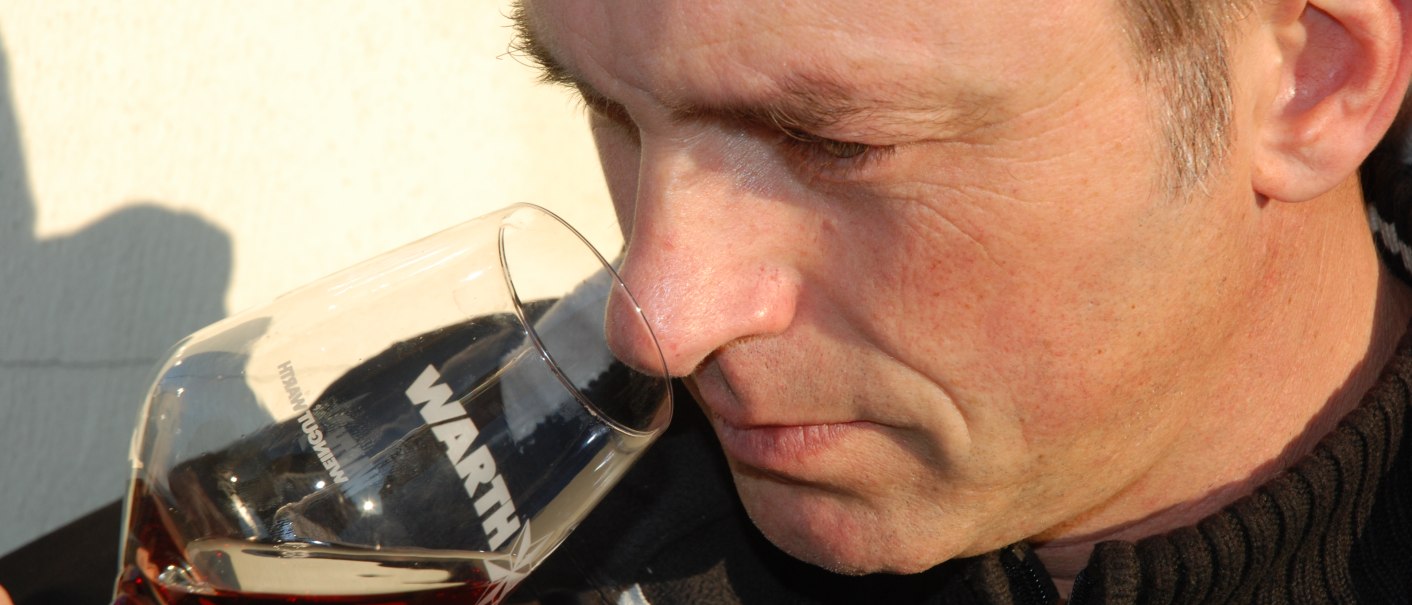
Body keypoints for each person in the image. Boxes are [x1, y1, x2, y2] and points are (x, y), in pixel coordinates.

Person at [503, 0, 1412, 603]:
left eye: (833, 140)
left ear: (1318, 82)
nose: (655, 322)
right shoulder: (470, 462)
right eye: (606, 105)